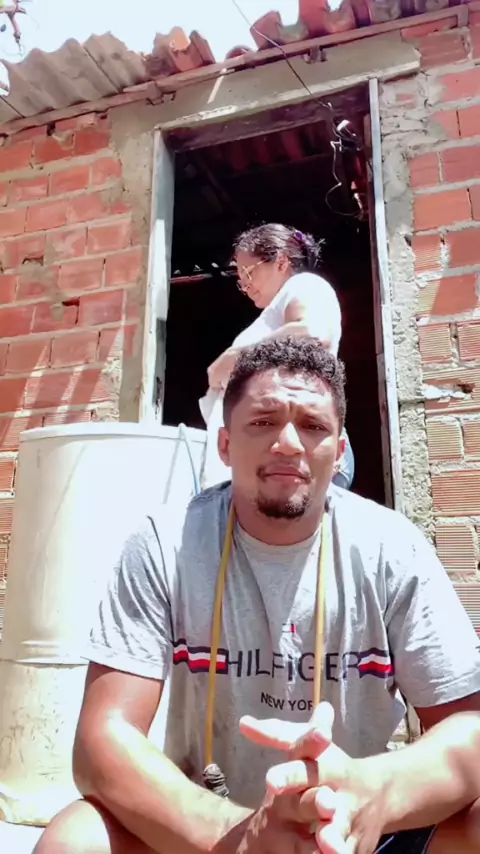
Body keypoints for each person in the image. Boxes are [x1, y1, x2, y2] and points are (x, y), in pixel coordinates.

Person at [35, 338, 480, 854]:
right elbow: (102, 738)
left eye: (313, 426)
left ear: (339, 451)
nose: (288, 442)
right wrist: (240, 836)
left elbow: (470, 730)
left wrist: (372, 794)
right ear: (224, 444)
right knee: (75, 840)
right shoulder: (166, 543)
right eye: (263, 421)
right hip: (208, 835)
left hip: (355, 833)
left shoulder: (393, 549)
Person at [199, 222, 355, 490]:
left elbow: (313, 332)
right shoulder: (275, 311)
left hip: (295, 449)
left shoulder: (305, 284)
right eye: (240, 279)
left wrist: (232, 360)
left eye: (249, 272)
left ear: (281, 262)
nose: (245, 285)